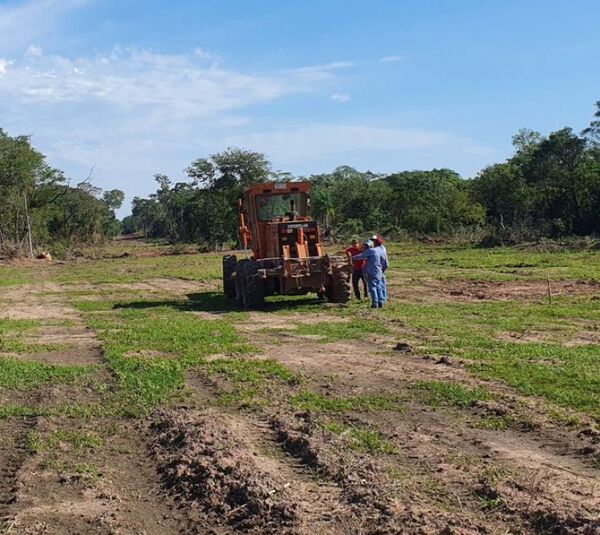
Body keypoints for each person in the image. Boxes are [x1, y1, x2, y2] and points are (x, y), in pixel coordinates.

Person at [352, 240, 387, 308]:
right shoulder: (381, 250)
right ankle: (381, 302)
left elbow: (361, 256)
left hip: (371, 272)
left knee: (373, 287)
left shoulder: (371, 251)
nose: (365, 248)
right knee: (379, 287)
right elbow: (385, 263)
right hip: (379, 272)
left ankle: (375, 303)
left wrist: (352, 257)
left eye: (366, 246)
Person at [371, 235, 388, 304]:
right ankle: (382, 300)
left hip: (379, 268)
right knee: (379, 285)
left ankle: (382, 300)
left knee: (380, 285)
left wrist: (383, 269)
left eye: (374, 240)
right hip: (380, 268)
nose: (373, 242)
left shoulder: (381, 249)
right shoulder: (376, 248)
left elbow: (384, 260)